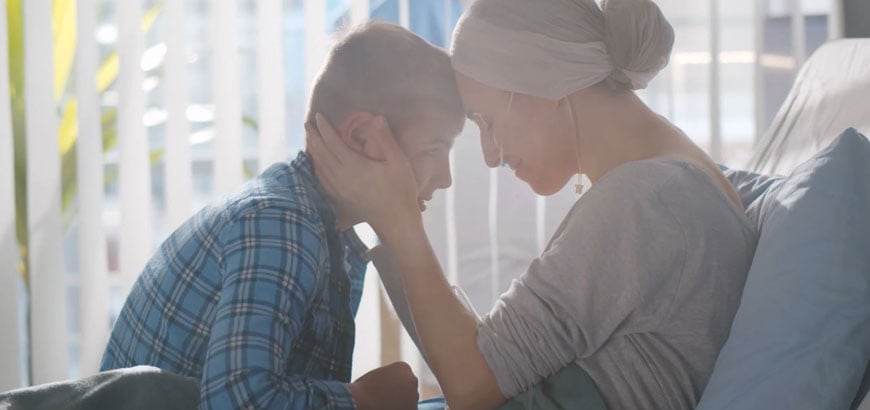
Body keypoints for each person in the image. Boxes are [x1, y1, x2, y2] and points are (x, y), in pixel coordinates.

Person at [304, 0, 758, 409]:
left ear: (543, 83)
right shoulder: (670, 180)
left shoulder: (646, 202)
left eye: (487, 120)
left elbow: (472, 384)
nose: (490, 154)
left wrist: (400, 222)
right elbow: (502, 357)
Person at [101, 21, 465, 410]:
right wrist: (362, 399)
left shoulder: (325, 228)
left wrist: (398, 228)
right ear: (361, 138)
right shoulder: (281, 226)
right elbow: (235, 404)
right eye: (433, 149)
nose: (445, 178)